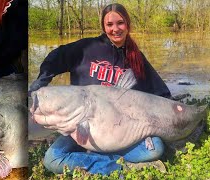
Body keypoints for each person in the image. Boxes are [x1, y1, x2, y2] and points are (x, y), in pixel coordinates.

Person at [29, 3, 171, 176]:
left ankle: (95, 157)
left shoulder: (136, 57)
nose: (115, 29)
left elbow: (157, 89)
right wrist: (42, 80)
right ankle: (116, 166)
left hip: (120, 131)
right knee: (53, 158)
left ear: (128, 24)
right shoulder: (86, 48)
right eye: (109, 24)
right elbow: (56, 57)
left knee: (155, 148)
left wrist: (172, 109)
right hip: (80, 126)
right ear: (103, 27)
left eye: (120, 23)